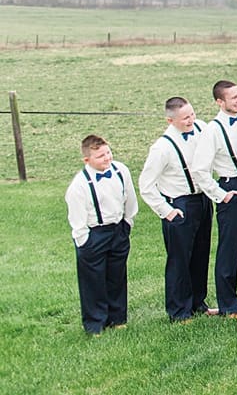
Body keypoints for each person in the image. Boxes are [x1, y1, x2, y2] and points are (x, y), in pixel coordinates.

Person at [138, 97, 215, 322]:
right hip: (179, 205)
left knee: (201, 254)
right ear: (170, 120)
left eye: (192, 114)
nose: (191, 120)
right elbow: (146, 184)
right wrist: (166, 210)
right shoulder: (161, 148)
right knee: (179, 260)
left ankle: (198, 302)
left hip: (202, 200)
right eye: (185, 118)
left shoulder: (201, 128)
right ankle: (178, 311)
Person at [194, 80, 237, 318]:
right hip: (230, 185)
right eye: (233, 98)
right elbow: (200, 170)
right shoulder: (212, 130)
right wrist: (221, 195)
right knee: (230, 248)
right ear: (219, 102)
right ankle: (228, 305)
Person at [66, 134, 138, 334]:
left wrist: (127, 223)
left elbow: (130, 199)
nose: (107, 158)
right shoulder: (79, 186)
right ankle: (95, 323)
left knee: (117, 275)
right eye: (100, 156)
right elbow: (77, 220)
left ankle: (118, 318)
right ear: (87, 160)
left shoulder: (121, 170)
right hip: (94, 234)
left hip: (118, 229)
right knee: (93, 280)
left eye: (108, 153)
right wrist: (84, 241)